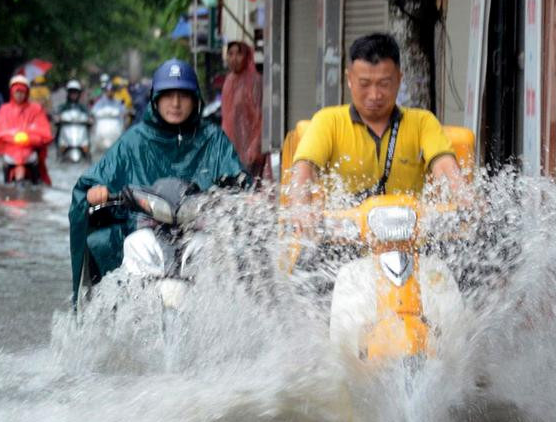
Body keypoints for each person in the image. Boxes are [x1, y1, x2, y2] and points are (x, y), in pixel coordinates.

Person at [68, 59, 245, 302]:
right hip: (144, 232)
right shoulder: (134, 140)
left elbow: (238, 178)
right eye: (168, 95)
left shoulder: (212, 138)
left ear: (195, 99)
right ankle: (124, 312)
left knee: (232, 253)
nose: (175, 103)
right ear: (155, 99)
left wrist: (246, 193)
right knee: (105, 243)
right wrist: (94, 191)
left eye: (183, 95)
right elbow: (92, 181)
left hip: (198, 232)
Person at [288, 32, 466, 209]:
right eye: (364, 84)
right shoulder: (327, 121)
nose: (374, 95)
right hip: (345, 233)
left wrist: (463, 195)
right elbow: (306, 168)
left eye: (384, 84)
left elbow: (444, 165)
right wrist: (300, 208)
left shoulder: (423, 122)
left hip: (409, 232)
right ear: (349, 79)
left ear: (398, 79)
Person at [0, 74, 54, 184]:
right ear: (12, 92)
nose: (19, 95)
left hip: (30, 148)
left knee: (39, 165)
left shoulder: (35, 109)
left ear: (27, 93)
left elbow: (43, 130)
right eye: (17, 92)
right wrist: (8, 136)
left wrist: (29, 137)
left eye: (22, 92)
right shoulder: (4, 109)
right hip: (11, 150)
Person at [220, 40, 270, 179]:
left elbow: (261, 116)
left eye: (238, 54)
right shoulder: (228, 82)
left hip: (252, 146)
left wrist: (256, 144)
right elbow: (226, 118)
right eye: (230, 54)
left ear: (247, 56)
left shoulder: (255, 81)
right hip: (233, 146)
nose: (234, 58)